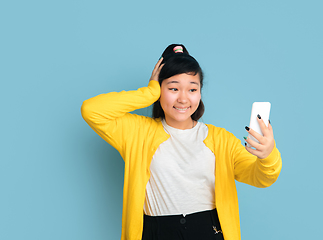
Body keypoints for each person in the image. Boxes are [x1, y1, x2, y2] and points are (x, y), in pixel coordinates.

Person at [81, 44, 282, 240]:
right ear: (160, 90)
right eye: (173, 88)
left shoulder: (221, 140)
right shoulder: (137, 133)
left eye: (192, 89)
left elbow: (261, 178)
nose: (183, 99)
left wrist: (268, 155)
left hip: (208, 231)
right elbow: (91, 110)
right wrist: (149, 92)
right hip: (156, 232)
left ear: (200, 93)